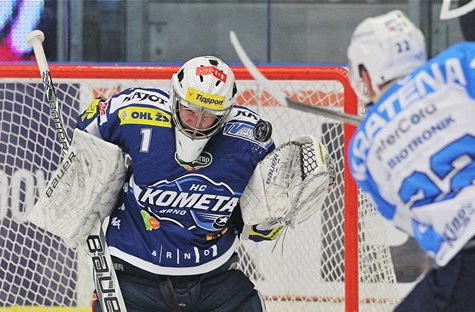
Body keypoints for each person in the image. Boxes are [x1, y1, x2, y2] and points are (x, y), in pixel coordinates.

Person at [70, 56, 331, 312]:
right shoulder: (136, 111)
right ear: (175, 97)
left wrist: (270, 220)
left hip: (213, 280)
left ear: (226, 113)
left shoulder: (251, 140)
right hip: (135, 276)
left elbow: (255, 228)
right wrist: (85, 165)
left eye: (208, 117)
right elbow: (86, 128)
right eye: (190, 110)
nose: (196, 123)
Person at [346, 10, 475, 312]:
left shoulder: (362, 150)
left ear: (365, 73)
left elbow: (413, 223)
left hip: (470, 264)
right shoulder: (458, 62)